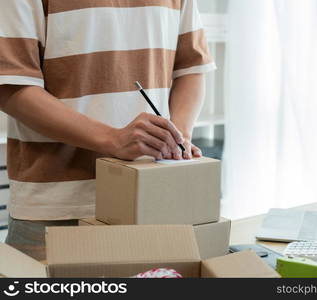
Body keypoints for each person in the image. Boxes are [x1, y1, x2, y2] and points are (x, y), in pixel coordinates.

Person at [0, 0, 215, 260]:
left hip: (156, 195)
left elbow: (191, 69)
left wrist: (176, 136)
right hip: (60, 208)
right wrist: (113, 139)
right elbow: (10, 86)